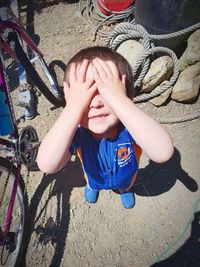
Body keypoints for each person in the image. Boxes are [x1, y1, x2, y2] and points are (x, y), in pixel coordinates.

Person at [37, 46, 174, 209]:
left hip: (126, 179)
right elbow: (47, 164)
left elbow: (163, 152)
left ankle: (124, 191)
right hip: (94, 179)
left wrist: (120, 100)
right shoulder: (78, 134)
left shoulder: (131, 128)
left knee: (125, 185)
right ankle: (93, 188)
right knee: (93, 184)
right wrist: (73, 108)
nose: (95, 103)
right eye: (84, 95)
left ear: (125, 95)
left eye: (106, 92)